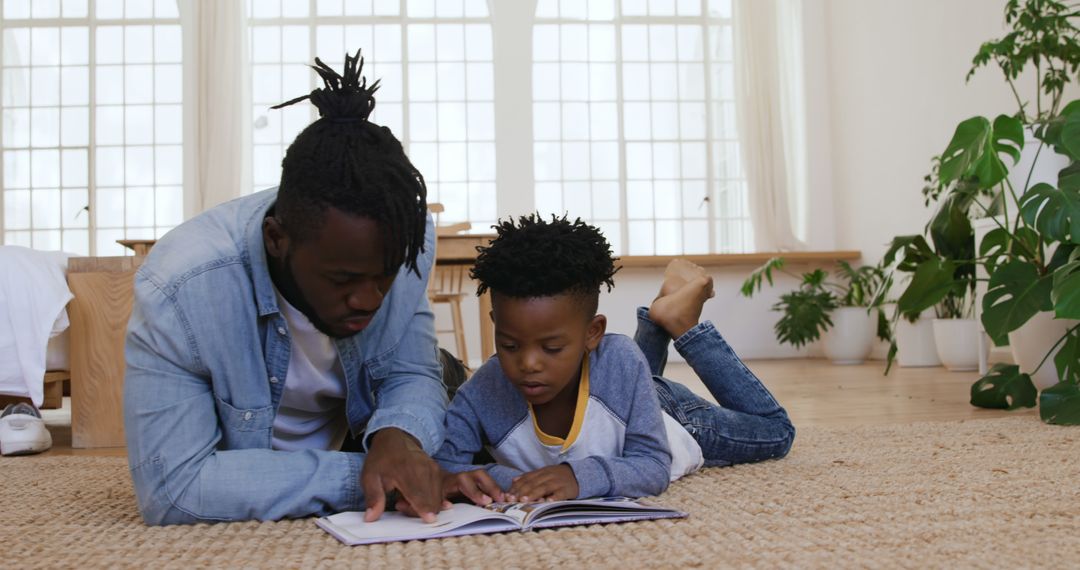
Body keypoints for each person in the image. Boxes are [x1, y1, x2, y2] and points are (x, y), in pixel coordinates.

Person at [124, 52, 449, 525]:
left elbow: (412, 371)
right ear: (277, 239)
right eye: (343, 280)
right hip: (274, 457)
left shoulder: (408, 237)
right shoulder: (181, 291)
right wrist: (366, 473)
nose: (370, 299)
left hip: (359, 427)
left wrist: (398, 436)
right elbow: (175, 490)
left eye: (384, 276)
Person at [434, 215, 795, 505]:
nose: (529, 363)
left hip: (673, 419)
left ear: (593, 333)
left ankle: (682, 325)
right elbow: (445, 466)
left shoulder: (619, 361)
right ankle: (658, 320)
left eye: (552, 348)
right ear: (496, 326)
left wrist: (577, 476)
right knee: (624, 377)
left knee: (777, 432)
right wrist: (500, 480)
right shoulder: (482, 390)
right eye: (510, 345)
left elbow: (653, 465)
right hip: (618, 398)